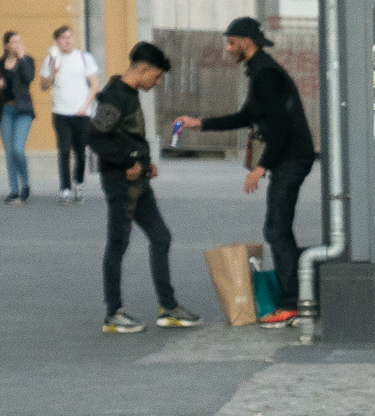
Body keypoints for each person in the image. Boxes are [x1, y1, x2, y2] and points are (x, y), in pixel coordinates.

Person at [175, 17, 317, 327]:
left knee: (277, 230)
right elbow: (247, 116)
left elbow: (280, 127)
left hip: (291, 158)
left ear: (246, 42)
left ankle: (292, 303)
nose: (227, 49)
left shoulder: (265, 74)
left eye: (231, 42)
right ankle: (301, 293)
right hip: (290, 157)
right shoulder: (259, 70)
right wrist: (201, 123)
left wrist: (261, 167)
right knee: (278, 230)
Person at [92, 42, 201, 333]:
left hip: (139, 182)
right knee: (118, 243)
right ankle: (113, 314)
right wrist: (127, 162)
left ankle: (168, 308)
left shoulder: (129, 94)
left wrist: (144, 161)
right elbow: (96, 137)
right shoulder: (115, 97)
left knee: (161, 237)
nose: (158, 82)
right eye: (157, 76)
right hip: (120, 183)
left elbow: (129, 136)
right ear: (142, 69)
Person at [38, 25, 100, 204]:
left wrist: (86, 105)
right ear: (57, 41)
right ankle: (65, 188)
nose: (67, 41)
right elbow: (43, 86)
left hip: (81, 113)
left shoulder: (84, 58)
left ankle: (79, 182)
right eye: (63, 38)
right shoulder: (51, 59)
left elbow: (94, 85)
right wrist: (51, 72)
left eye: (70, 37)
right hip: (61, 112)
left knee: (80, 152)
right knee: (64, 151)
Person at [0, 31, 36, 203]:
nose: (17, 45)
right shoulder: (0, 63)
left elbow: (29, 78)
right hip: (5, 111)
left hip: (23, 111)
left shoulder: (27, 61)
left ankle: (25, 185)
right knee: (9, 152)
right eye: (13, 42)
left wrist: (21, 59)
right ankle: (14, 190)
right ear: (6, 45)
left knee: (18, 149)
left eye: (19, 41)